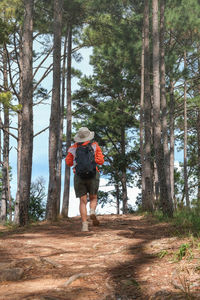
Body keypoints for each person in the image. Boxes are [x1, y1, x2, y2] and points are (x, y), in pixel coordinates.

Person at [65, 127, 104, 232]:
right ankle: (92, 211)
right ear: (88, 136)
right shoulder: (95, 146)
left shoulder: (73, 148)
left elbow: (68, 163)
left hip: (79, 176)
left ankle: (84, 225)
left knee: (82, 202)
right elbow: (100, 161)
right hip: (93, 174)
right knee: (93, 198)